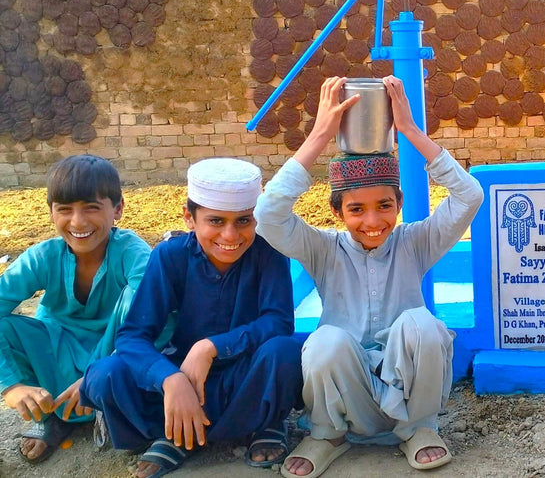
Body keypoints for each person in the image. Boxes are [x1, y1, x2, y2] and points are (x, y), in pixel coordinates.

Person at [255, 75, 483, 478]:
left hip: (408, 393)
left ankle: (417, 430)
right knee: (326, 340)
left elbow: (470, 196)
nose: (373, 221)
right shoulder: (323, 249)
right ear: (338, 212)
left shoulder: (416, 242)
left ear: (399, 203)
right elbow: (268, 215)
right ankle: (328, 435)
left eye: (384, 205)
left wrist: (412, 131)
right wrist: (319, 137)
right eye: (356, 209)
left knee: (424, 326)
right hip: (347, 392)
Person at [80, 157, 302, 478]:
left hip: (245, 375)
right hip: (184, 378)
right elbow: (133, 335)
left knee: (285, 351)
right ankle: (176, 433)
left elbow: (278, 323)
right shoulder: (170, 256)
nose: (230, 234)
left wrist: (210, 347)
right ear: (189, 218)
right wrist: (169, 379)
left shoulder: (269, 253)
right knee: (105, 374)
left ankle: (263, 423)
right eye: (215, 221)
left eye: (243, 221)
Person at [0, 155, 151, 464]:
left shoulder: (133, 253)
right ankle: (51, 417)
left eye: (92, 208)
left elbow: (155, 318)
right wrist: (11, 386)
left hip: (115, 355)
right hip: (58, 354)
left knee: (138, 301)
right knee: (7, 327)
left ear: (118, 209)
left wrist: (97, 375)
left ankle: (111, 410)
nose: (78, 222)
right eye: (65, 210)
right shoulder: (43, 256)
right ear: (51, 213)